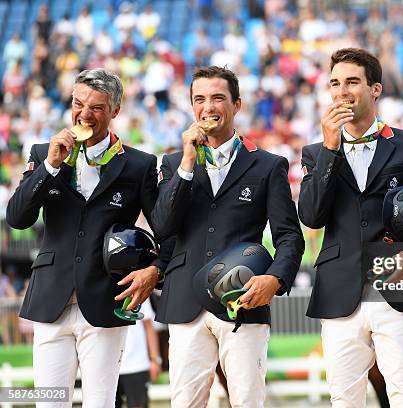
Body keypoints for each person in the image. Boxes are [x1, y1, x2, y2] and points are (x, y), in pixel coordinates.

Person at [298, 48, 403, 407]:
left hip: (398, 285)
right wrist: (330, 147)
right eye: (335, 83)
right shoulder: (315, 152)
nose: (342, 91)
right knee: (344, 399)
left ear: (375, 89)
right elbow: (311, 216)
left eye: (352, 82)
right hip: (339, 291)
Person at [6, 68, 168, 406]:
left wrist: (155, 271)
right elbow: (18, 218)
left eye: (96, 107)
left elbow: (166, 230)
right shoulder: (43, 153)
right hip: (51, 299)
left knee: (101, 402)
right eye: (78, 104)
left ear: (115, 111)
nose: (84, 114)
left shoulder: (139, 165)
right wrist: (51, 166)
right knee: (49, 402)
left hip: (107, 301)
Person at [151, 66, 304, 407]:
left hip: (244, 302)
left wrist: (275, 280)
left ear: (237, 104)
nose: (208, 107)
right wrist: (187, 165)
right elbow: (162, 227)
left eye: (218, 98)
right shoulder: (175, 162)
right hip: (184, 306)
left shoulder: (268, 165)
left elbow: (289, 237)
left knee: (248, 402)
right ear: (192, 107)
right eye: (200, 99)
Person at [115, 298, 160, 408]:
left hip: (136, 363)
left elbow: (148, 326)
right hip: (108, 366)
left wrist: (155, 359)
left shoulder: (138, 284)